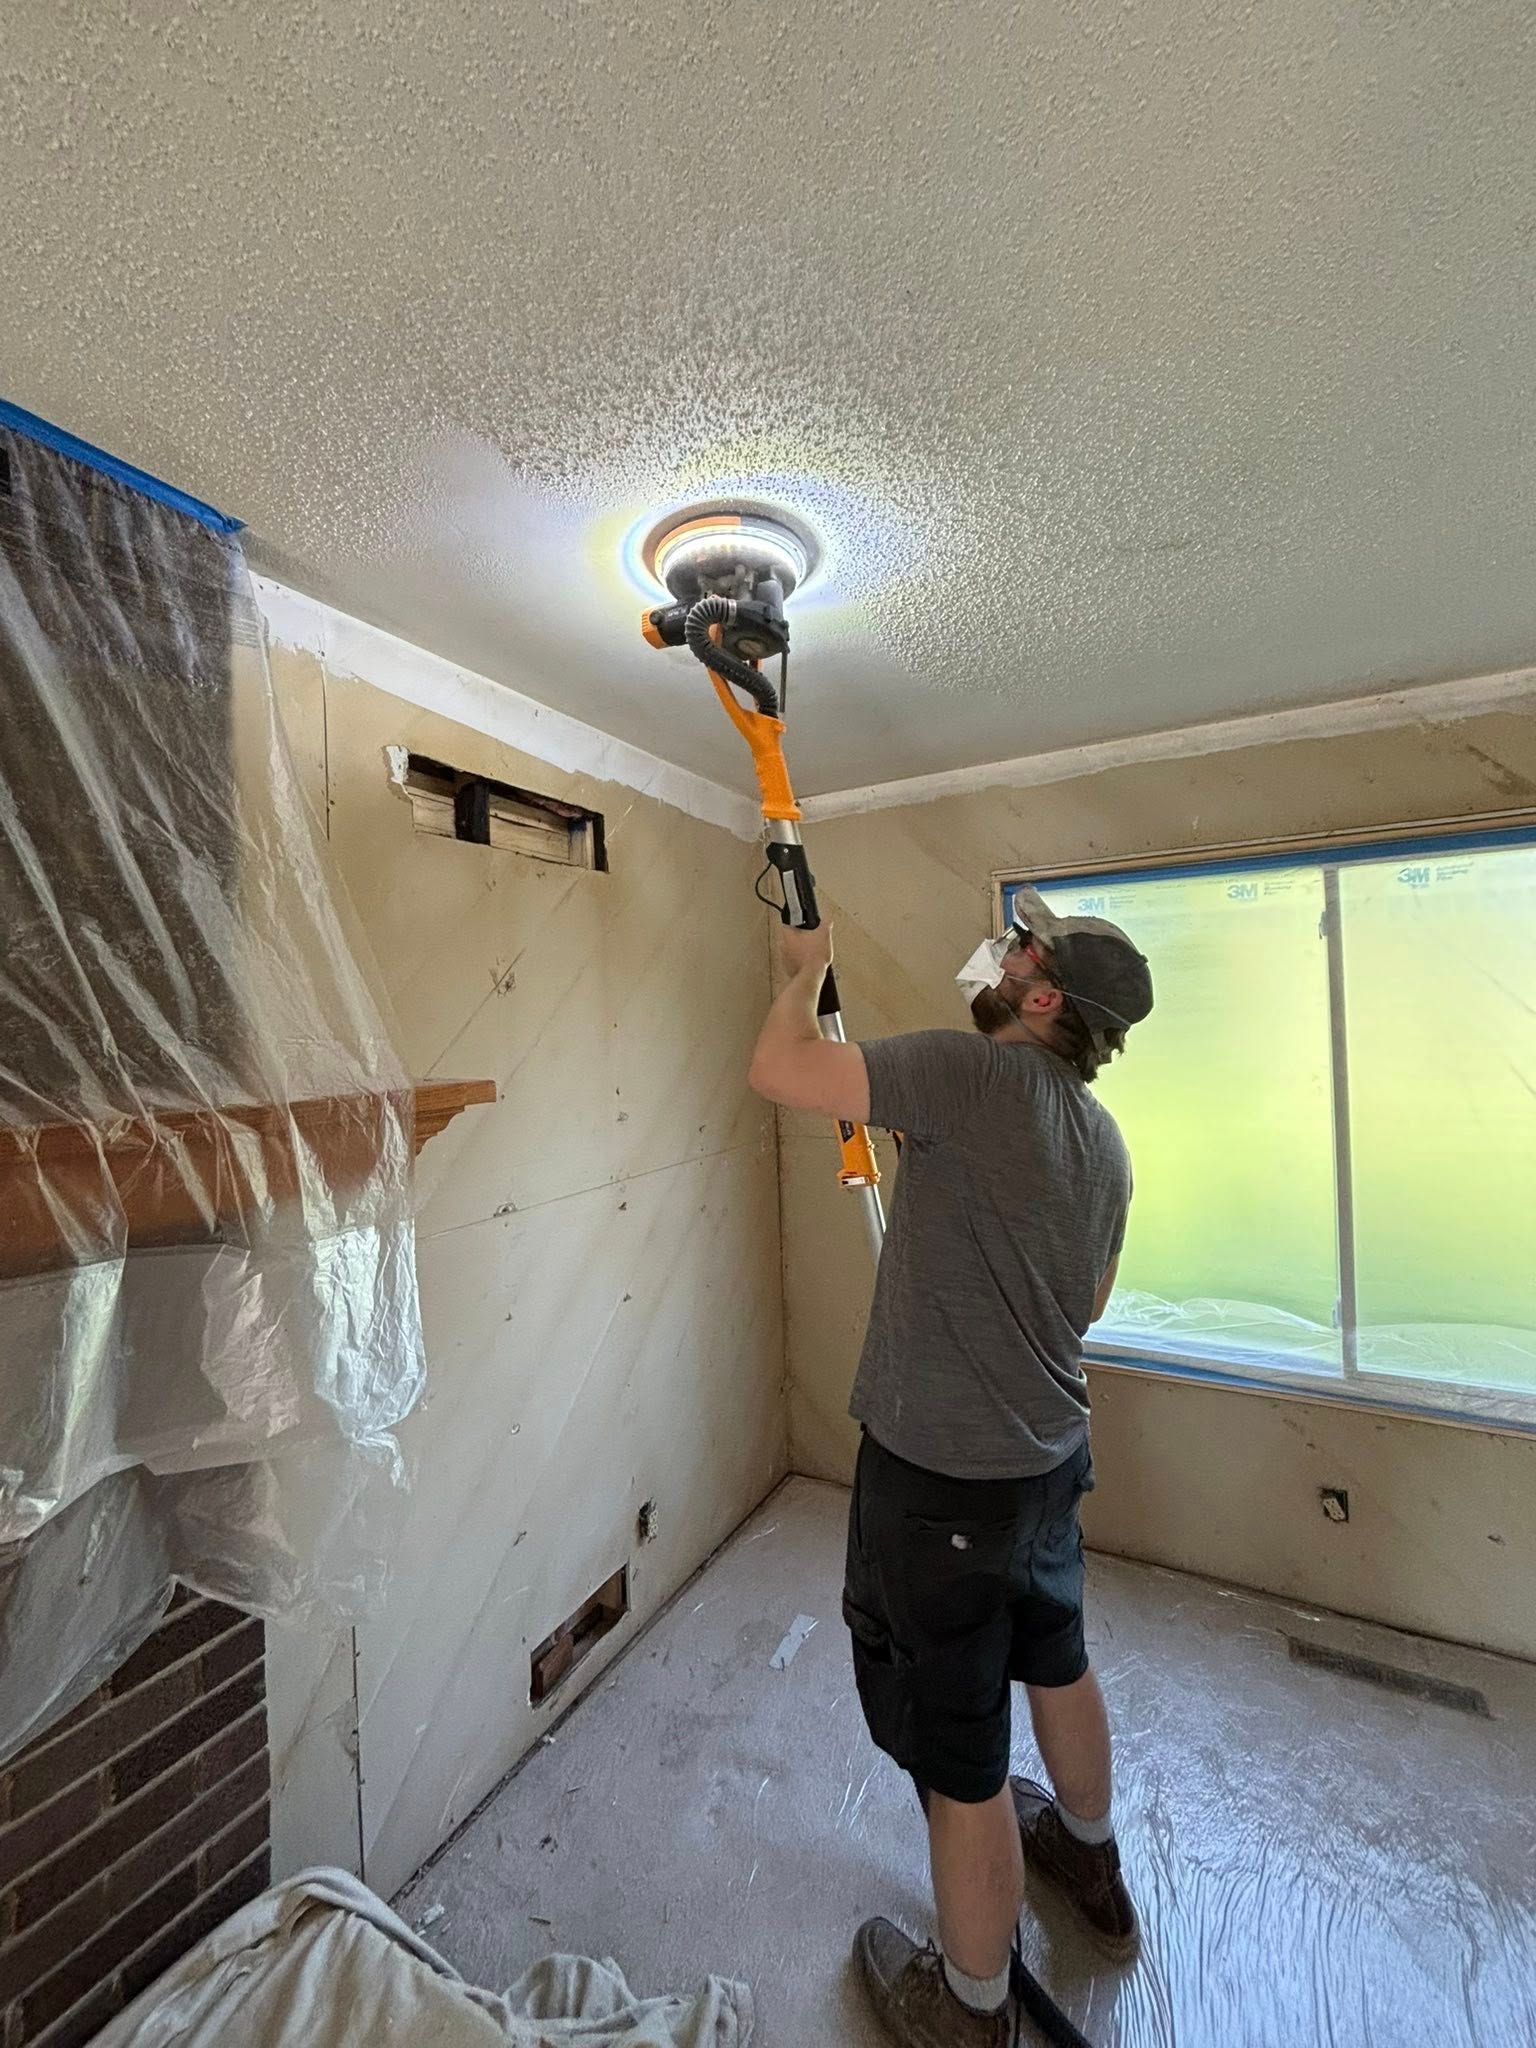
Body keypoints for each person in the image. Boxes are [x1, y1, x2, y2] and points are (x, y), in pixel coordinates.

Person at [748, 886, 1154, 2048]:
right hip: (1047, 1462)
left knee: (963, 1754)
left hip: (941, 1489)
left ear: (1041, 996)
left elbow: (782, 1066)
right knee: (1057, 1652)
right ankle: (1087, 1855)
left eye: (1020, 949)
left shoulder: (969, 1077)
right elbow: (1080, 1308)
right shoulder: (1104, 1142)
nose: (997, 954)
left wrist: (799, 968)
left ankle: (971, 2006)